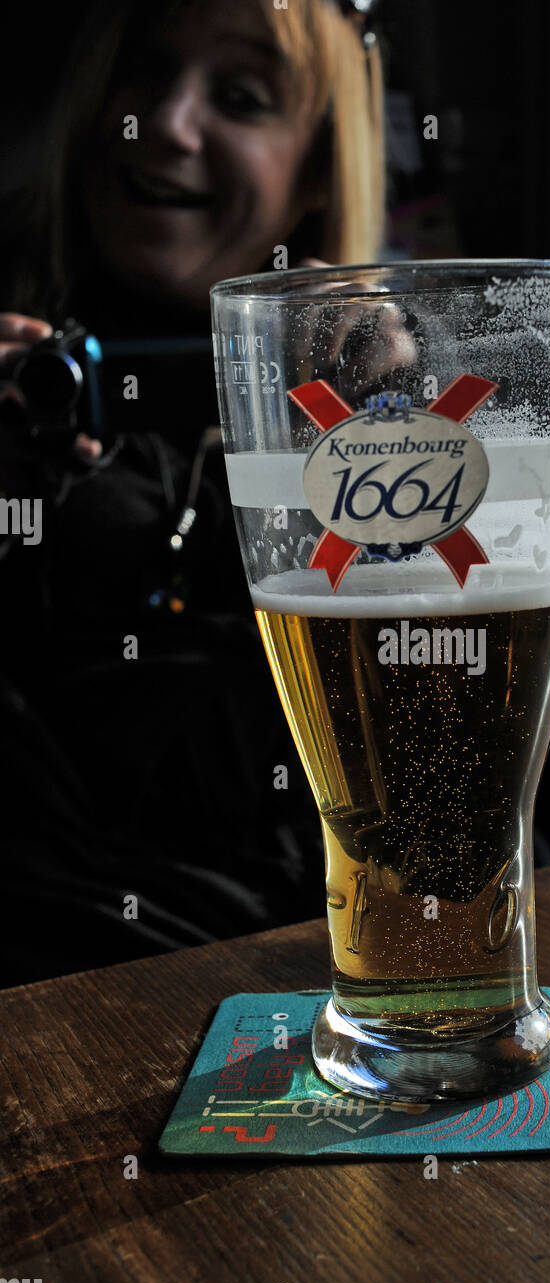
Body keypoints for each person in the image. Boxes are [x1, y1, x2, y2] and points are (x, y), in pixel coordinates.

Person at [0, 0, 393, 984]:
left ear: (313, 172)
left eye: (241, 96)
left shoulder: (380, 377)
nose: (166, 125)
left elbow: (538, 688)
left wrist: (403, 438)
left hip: (329, 944)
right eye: (144, 73)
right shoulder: (24, 369)